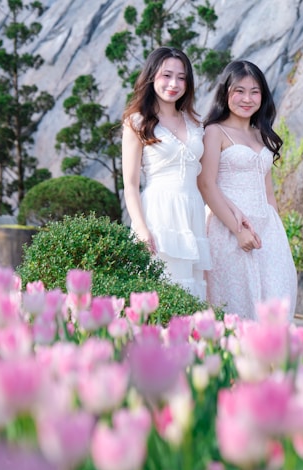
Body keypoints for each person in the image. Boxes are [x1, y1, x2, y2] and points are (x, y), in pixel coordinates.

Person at [198, 60, 298, 320]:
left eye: (254, 91)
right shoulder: (214, 132)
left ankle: (271, 359)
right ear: (226, 93)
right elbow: (206, 185)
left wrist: (278, 235)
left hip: (268, 230)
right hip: (228, 228)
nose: (247, 98)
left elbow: (268, 193)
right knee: (238, 305)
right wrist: (238, 230)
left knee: (276, 301)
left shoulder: (262, 134)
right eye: (239, 91)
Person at [121, 47, 211, 299]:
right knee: (158, 290)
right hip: (158, 213)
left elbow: (206, 181)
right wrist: (140, 226)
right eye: (166, 75)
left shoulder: (197, 124)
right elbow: (130, 184)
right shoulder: (137, 122)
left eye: (181, 77)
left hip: (193, 213)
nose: (174, 84)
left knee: (190, 294)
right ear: (151, 77)